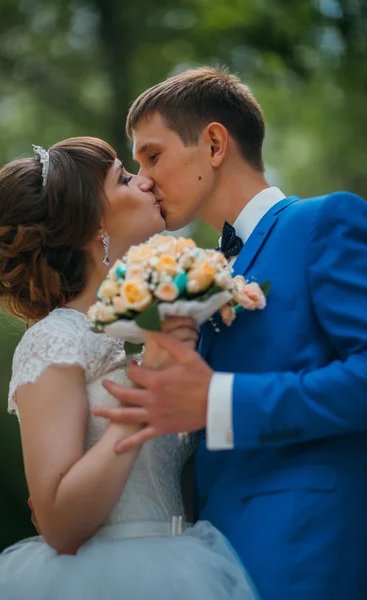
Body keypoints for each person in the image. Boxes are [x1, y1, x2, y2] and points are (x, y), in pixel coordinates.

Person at [92, 67, 367, 600]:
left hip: (306, 555)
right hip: (209, 563)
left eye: (152, 156)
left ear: (214, 144)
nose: (143, 178)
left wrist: (222, 400)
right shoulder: (195, 277)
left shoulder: (323, 223)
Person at [0, 136, 258, 600]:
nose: (146, 182)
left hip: (190, 565)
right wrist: (145, 392)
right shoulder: (53, 340)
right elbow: (60, 526)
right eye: (124, 177)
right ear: (93, 222)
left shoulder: (146, 329)